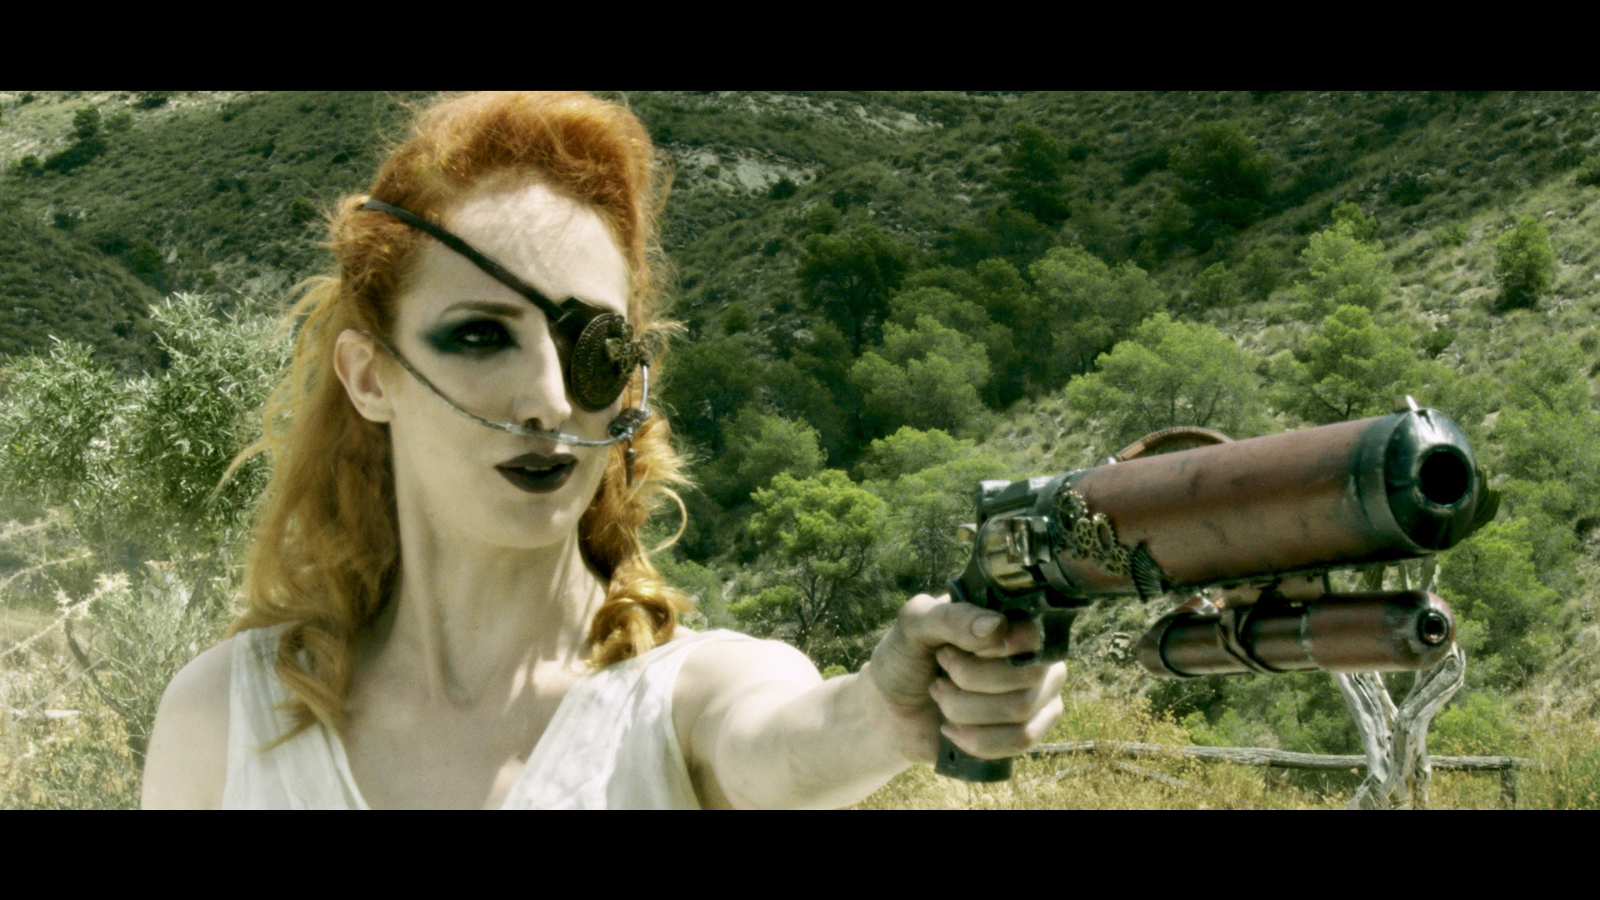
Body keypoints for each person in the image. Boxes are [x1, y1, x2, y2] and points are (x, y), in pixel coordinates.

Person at [140, 91, 1066, 809]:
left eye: (591, 345)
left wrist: (878, 716)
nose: (549, 398)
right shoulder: (224, 722)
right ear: (369, 376)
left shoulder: (683, 701)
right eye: (479, 335)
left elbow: (783, 737)